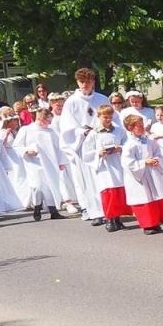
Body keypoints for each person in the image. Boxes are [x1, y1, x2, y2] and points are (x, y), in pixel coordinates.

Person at [59, 68, 111, 224]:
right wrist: (82, 131)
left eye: (88, 82)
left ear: (93, 82)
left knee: (103, 177)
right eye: (82, 82)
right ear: (77, 82)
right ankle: (93, 211)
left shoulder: (102, 99)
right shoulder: (72, 102)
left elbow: (111, 118)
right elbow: (67, 126)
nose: (85, 85)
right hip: (83, 144)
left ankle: (108, 210)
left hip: (101, 141)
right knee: (87, 179)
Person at [121, 112, 163, 234]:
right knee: (144, 198)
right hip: (140, 176)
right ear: (130, 128)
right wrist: (144, 162)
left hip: (152, 172)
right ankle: (148, 224)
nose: (142, 127)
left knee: (155, 197)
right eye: (138, 126)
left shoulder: (149, 141)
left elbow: (158, 153)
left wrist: (157, 160)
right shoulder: (129, 145)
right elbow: (127, 163)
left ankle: (157, 221)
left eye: (142, 125)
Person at [14, 104, 68, 220]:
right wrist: (27, 151)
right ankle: (37, 206)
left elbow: (59, 148)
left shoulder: (51, 132)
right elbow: (17, 146)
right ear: (40, 119)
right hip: (34, 163)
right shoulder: (26, 130)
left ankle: (53, 210)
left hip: (50, 162)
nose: (49, 123)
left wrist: (61, 161)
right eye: (48, 120)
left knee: (50, 185)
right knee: (37, 185)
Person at [87, 104, 133, 231]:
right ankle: (109, 218)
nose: (108, 120)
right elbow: (86, 152)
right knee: (108, 193)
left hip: (117, 164)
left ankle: (118, 218)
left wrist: (120, 148)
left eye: (110, 117)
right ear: (99, 117)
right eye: (105, 117)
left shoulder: (119, 130)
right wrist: (98, 153)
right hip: (104, 167)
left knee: (119, 192)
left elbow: (127, 143)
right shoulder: (93, 133)